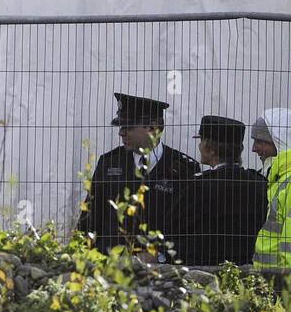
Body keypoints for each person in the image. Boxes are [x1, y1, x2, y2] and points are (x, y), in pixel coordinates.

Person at [77, 93, 199, 260]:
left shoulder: (183, 168)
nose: (121, 133)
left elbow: (190, 227)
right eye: (120, 126)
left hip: (160, 271)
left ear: (152, 127)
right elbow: (90, 217)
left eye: (128, 127)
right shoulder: (109, 162)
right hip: (110, 266)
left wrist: (160, 256)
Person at [176, 115, 268, 265]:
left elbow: (175, 227)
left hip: (203, 268)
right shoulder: (259, 183)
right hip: (245, 267)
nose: (199, 147)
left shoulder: (199, 186)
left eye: (201, 141)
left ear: (211, 150)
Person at [250, 108, 291, 271]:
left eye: (260, 141)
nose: (253, 149)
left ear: (279, 140)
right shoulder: (280, 176)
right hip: (270, 282)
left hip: (283, 285)